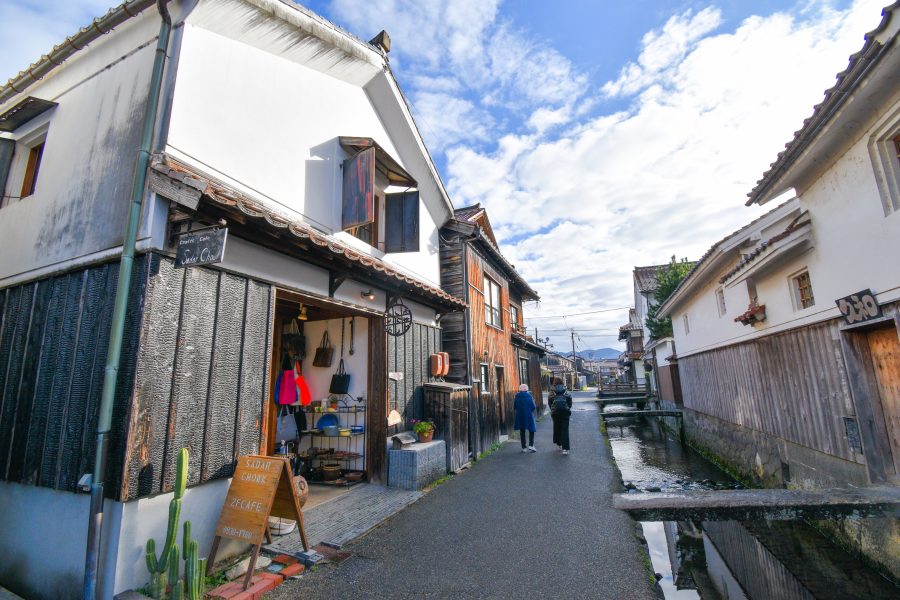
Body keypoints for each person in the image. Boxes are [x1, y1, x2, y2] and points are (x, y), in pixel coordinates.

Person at [548, 378, 572, 455]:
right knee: (565, 430)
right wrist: (567, 408)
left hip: (555, 413)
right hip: (565, 412)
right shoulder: (565, 390)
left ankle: (559, 444)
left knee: (557, 428)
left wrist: (553, 410)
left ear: (554, 383)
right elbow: (569, 401)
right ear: (562, 382)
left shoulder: (552, 391)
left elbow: (550, 402)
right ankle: (565, 449)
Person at [514, 384, 537, 453]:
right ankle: (531, 445)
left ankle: (523, 447)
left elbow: (515, 407)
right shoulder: (529, 396)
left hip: (520, 415)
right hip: (529, 415)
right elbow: (533, 407)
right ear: (527, 390)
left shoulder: (517, 396)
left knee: (522, 431)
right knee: (531, 429)